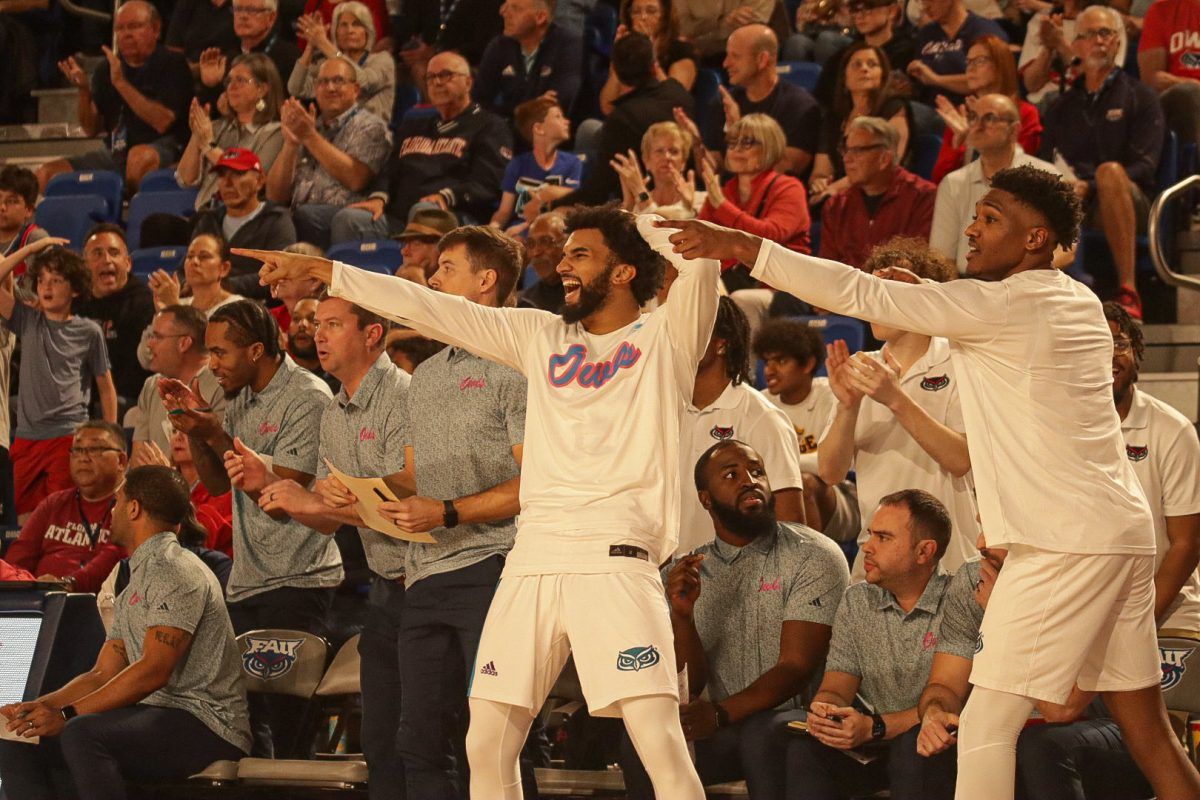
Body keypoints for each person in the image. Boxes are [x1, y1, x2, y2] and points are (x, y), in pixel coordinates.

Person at [654, 164, 1200, 799]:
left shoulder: (1003, 304)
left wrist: (744, 246)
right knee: (1147, 728)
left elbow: (859, 293)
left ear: (1033, 238)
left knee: (988, 725)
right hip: (1120, 534)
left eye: (992, 219)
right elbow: (973, 327)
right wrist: (930, 303)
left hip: (1063, 542)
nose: (971, 226)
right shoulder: (1073, 298)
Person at [238, 202, 720, 799]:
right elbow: (428, 305)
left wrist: (645, 221)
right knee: (485, 740)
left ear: (623, 272)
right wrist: (328, 273)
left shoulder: (664, 337)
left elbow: (700, 261)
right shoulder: (541, 335)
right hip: (533, 559)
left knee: (658, 740)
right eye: (564, 252)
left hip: (614, 561)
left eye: (581, 253)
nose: (562, 264)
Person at [232, 292, 411, 797]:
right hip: (384, 587)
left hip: (428, 580)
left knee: (426, 739)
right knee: (380, 744)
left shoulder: (405, 398)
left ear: (372, 334)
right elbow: (332, 523)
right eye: (316, 324)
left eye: (332, 324)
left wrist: (311, 502)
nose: (317, 333)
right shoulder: (335, 413)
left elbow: (407, 509)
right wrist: (271, 485)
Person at [0, 465, 251, 799]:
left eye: (117, 501)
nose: (112, 511)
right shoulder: (136, 573)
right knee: (18, 737)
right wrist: (37, 708)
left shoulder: (176, 569)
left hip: (206, 722)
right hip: (154, 716)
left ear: (134, 508)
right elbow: (104, 671)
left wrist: (67, 714)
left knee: (82, 734)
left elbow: (153, 671)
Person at [159, 299, 341, 757]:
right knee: (243, 727)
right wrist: (195, 428)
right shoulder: (237, 397)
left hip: (299, 581)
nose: (212, 364)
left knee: (290, 733)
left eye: (221, 353)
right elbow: (220, 482)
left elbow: (282, 497)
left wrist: (216, 432)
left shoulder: (308, 397)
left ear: (257, 350)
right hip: (248, 583)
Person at [621, 439, 850, 797]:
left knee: (763, 735)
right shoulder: (689, 571)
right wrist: (683, 618)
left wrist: (717, 715)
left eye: (757, 471)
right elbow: (690, 684)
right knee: (644, 739)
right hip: (724, 725)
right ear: (706, 499)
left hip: (796, 721)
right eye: (732, 475)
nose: (749, 480)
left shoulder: (813, 555)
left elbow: (796, 667)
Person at [783, 490, 959, 800]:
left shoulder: (959, 601)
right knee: (804, 749)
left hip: (942, 746)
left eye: (884, 537)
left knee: (914, 746)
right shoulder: (857, 600)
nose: (867, 546)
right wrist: (827, 712)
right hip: (876, 742)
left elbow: (953, 707)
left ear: (924, 551)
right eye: (869, 535)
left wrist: (875, 727)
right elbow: (837, 687)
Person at [1040, 4, 1164, 319]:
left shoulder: (1141, 96)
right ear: (1076, 46)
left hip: (1131, 200)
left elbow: (1146, 166)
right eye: (1090, 34)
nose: (1099, 41)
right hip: (1075, 196)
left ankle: (1129, 288)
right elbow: (1046, 159)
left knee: (1109, 172)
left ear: (1118, 42)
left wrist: (1091, 184)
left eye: (1106, 32)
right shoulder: (1060, 106)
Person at [335, 50, 511, 240]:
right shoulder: (413, 125)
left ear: (468, 82)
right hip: (398, 217)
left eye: (446, 75)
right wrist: (379, 197)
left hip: (453, 217)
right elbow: (390, 169)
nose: (437, 82)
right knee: (348, 219)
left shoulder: (490, 126)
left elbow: (487, 183)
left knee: (424, 213)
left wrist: (446, 196)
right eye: (430, 77)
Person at [2, 241, 117, 521]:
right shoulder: (28, 320)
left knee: (60, 518)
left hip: (67, 435)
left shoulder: (89, 331)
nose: (46, 287)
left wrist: (111, 437)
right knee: (25, 522)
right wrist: (32, 250)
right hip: (27, 437)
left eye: (56, 280)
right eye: (41, 280)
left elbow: (106, 387)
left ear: (75, 288)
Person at [679, 297, 805, 552]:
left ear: (720, 344)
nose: (673, 339)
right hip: (670, 578)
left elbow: (791, 526)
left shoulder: (762, 417)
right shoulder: (662, 409)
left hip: (739, 580)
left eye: (686, 328)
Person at [1107, 301, 1200, 632]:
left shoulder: (1172, 431)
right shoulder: (1061, 428)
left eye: (1119, 344)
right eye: (1097, 345)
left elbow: (1187, 543)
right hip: (1087, 602)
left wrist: (1139, 624)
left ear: (1136, 351)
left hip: (1169, 605)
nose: (1110, 356)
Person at [38, 0, 193, 192]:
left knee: (138, 159)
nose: (126, 34)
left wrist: (121, 83)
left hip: (165, 147)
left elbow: (163, 122)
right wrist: (84, 91)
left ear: (156, 29)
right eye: (120, 28)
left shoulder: (172, 63)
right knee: (47, 175)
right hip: (116, 152)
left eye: (134, 26)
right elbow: (91, 129)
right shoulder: (106, 69)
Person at [545, 32, 693, 211]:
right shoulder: (678, 91)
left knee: (550, 200)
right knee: (589, 129)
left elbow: (597, 193)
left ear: (614, 70)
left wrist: (552, 205)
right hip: (684, 191)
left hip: (641, 202)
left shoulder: (623, 119)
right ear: (653, 66)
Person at [266, 55, 393, 248]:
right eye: (323, 82)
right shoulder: (308, 125)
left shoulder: (370, 126)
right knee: (268, 215)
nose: (331, 88)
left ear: (355, 89)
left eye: (338, 81)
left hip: (344, 216)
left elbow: (355, 178)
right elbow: (275, 195)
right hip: (301, 216)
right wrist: (291, 144)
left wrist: (309, 136)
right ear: (315, 89)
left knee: (306, 216)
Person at [931, 93, 1064, 271]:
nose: (977, 126)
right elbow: (941, 259)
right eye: (973, 118)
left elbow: (1066, 249)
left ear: (1014, 130)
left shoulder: (1046, 176)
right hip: (968, 286)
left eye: (990, 118)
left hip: (1029, 283)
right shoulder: (953, 183)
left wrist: (1018, 279)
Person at [752, 320, 856, 535]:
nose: (769, 370)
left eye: (780, 361)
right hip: (777, 491)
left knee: (803, 482)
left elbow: (843, 464)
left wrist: (782, 465)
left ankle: (812, 563)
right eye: (766, 361)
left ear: (807, 364)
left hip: (841, 494)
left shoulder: (834, 394)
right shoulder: (759, 403)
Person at [5, 420, 128, 593]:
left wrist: (65, 585)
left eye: (95, 449)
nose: (84, 458)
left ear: (121, 460)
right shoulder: (54, 503)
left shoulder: (130, 505)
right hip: (42, 603)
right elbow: (17, 560)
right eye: (77, 450)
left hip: (98, 606)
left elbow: (115, 558)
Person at [699, 24, 821, 178]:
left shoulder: (800, 106)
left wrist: (740, 131)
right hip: (730, 195)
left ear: (762, 60)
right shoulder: (724, 102)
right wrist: (697, 145)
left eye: (735, 56)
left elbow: (785, 170)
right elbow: (713, 169)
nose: (725, 63)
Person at [698, 113, 811, 270]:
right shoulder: (722, 192)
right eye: (732, 143)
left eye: (746, 143)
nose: (736, 150)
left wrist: (722, 206)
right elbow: (701, 240)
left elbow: (770, 237)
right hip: (728, 279)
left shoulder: (789, 188)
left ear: (769, 147)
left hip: (781, 283)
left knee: (739, 296)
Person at [819, 117, 935, 270]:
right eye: (846, 150)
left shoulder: (922, 197)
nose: (847, 159)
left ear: (884, 158)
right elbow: (827, 267)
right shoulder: (837, 205)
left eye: (858, 151)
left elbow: (918, 263)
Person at [177, 53, 285, 212]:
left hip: (242, 215)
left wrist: (208, 146)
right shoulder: (215, 128)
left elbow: (252, 177)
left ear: (262, 89)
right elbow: (185, 179)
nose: (231, 87)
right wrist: (197, 133)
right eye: (229, 81)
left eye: (240, 80)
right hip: (204, 213)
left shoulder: (276, 132)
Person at [809, 43, 913, 204]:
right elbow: (820, 171)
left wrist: (834, 189)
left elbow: (888, 164)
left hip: (880, 195)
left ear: (883, 75)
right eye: (857, 64)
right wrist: (819, 183)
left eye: (872, 64)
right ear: (844, 78)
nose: (864, 69)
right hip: (837, 197)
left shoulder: (894, 108)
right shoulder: (834, 118)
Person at [931, 35, 1042, 183]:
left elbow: (1019, 173)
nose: (970, 68)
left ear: (1000, 65)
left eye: (979, 61)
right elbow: (939, 179)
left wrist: (973, 139)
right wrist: (958, 145)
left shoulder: (1025, 113)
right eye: (968, 61)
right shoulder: (963, 116)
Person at [191, 147, 298, 297]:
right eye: (222, 175)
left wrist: (222, 287)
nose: (227, 183)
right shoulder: (209, 221)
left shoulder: (276, 220)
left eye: (238, 174)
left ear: (259, 180)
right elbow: (184, 269)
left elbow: (280, 273)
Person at [76, 224, 156, 411]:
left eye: (114, 253)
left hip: (129, 398)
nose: (107, 260)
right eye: (97, 254)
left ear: (128, 263)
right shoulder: (74, 302)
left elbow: (140, 370)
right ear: (84, 265)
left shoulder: (144, 303)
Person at [133, 304, 227, 462]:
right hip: (158, 484)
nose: (149, 344)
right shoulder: (151, 386)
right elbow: (139, 458)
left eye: (157, 337)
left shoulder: (222, 384)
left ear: (184, 343)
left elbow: (223, 456)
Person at [291, 2, 396, 123]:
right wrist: (310, 47)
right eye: (343, 25)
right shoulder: (330, 64)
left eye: (356, 24)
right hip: (332, 131)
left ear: (367, 31)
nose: (350, 30)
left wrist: (324, 44)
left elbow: (362, 82)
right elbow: (296, 88)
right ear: (336, 33)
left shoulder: (382, 60)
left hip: (369, 132)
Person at [477, 0, 583, 120]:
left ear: (540, 17)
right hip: (503, 129)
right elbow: (478, 100)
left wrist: (516, 112)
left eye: (515, 8)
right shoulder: (499, 46)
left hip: (547, 131)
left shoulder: (569, 46)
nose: (503, 12)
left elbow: (557, 103)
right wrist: (527, 109)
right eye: (506, 5)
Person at [491, 97, 581, 232]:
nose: (567, 121)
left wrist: (543, 195)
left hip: (554, 230)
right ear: (539, 128)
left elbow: (575, 196)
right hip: (521, 231)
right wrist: (491, 231)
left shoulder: (572, 162)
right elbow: (504, 212)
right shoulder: (517, 164)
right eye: (558, 117)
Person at [1019, 0, 1128, 110]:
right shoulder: (1042, 19)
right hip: (1043, 106)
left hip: (1089, 104)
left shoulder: (1106, 19)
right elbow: (1031, 85)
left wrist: (1061, 45)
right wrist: (1048, 48)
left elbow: (1102, 80)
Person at [599, 0, 696, 115]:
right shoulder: (630, 51)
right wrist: (619, 57)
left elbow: (675, 102)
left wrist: (650, 54)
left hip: (664, 125)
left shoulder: (681, 50)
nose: (643, 17)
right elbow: (607, 107)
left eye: (651, 11)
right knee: (589, 126)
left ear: (665, 15)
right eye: (636, 12)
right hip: (630, 119)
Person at [193, 0, 300, 104]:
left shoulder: (289, 57)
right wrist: (211, 85)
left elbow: (289, 110)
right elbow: (209, 114)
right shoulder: (230, 56)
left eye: (252, 10)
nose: (243, 16)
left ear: (271, 18)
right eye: (238, 9)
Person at [906, 0, 1007, 105]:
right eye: (922, 1)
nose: (925, 7)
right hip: (930, 109)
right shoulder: (926, 34)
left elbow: (984, 81)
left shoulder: (984, 31)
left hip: (971, 110)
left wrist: (936, 80)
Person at [1137, 0, 1200, 149]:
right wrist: (1194, 85)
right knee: (1189, 93)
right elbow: (1152, 78)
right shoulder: (1161, 10)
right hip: (1178, 103)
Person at [613, 121, 704, 220]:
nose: (667, 157)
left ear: (683, 162)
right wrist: (628, 203)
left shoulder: (699, 200)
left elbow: (660, 224)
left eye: (674, 151)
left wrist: (640, 190)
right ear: (646, 160)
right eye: (659, 151)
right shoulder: (637, 204)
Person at [148, 232, 244, 320]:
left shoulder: (237, 307)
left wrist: (174, 309)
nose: (194, 262)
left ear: (224, 268)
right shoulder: (181, 303)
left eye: (204, 256)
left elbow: (204, 338)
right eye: (190, 256)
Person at [676, 0, 776, 60]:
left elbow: (753, 32)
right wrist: (723, 24)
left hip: (748, 50)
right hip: (697, 51)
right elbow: (682, 29)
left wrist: (704, 35)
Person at [0, 164, 48, 277]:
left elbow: (34, 291)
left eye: (11, 201)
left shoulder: (36, 239)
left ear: (29, 210)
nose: (2, 207)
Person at [519, 211, 568, 311]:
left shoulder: (590, 299)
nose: (536, 252)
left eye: (545, 242)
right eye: (531, 244)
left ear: (567, 244)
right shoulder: (522, 304)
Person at [394, 208, 459, 283]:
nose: (404, 252)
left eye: (416, 244)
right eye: (405, 244)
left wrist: (417, 285)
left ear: (444, 249)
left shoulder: (464, 285)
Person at [165, 0, 239, 65]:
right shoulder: (187, 3)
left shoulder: (242, 3)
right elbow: (173, 47)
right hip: (189, 70)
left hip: (231, 68)